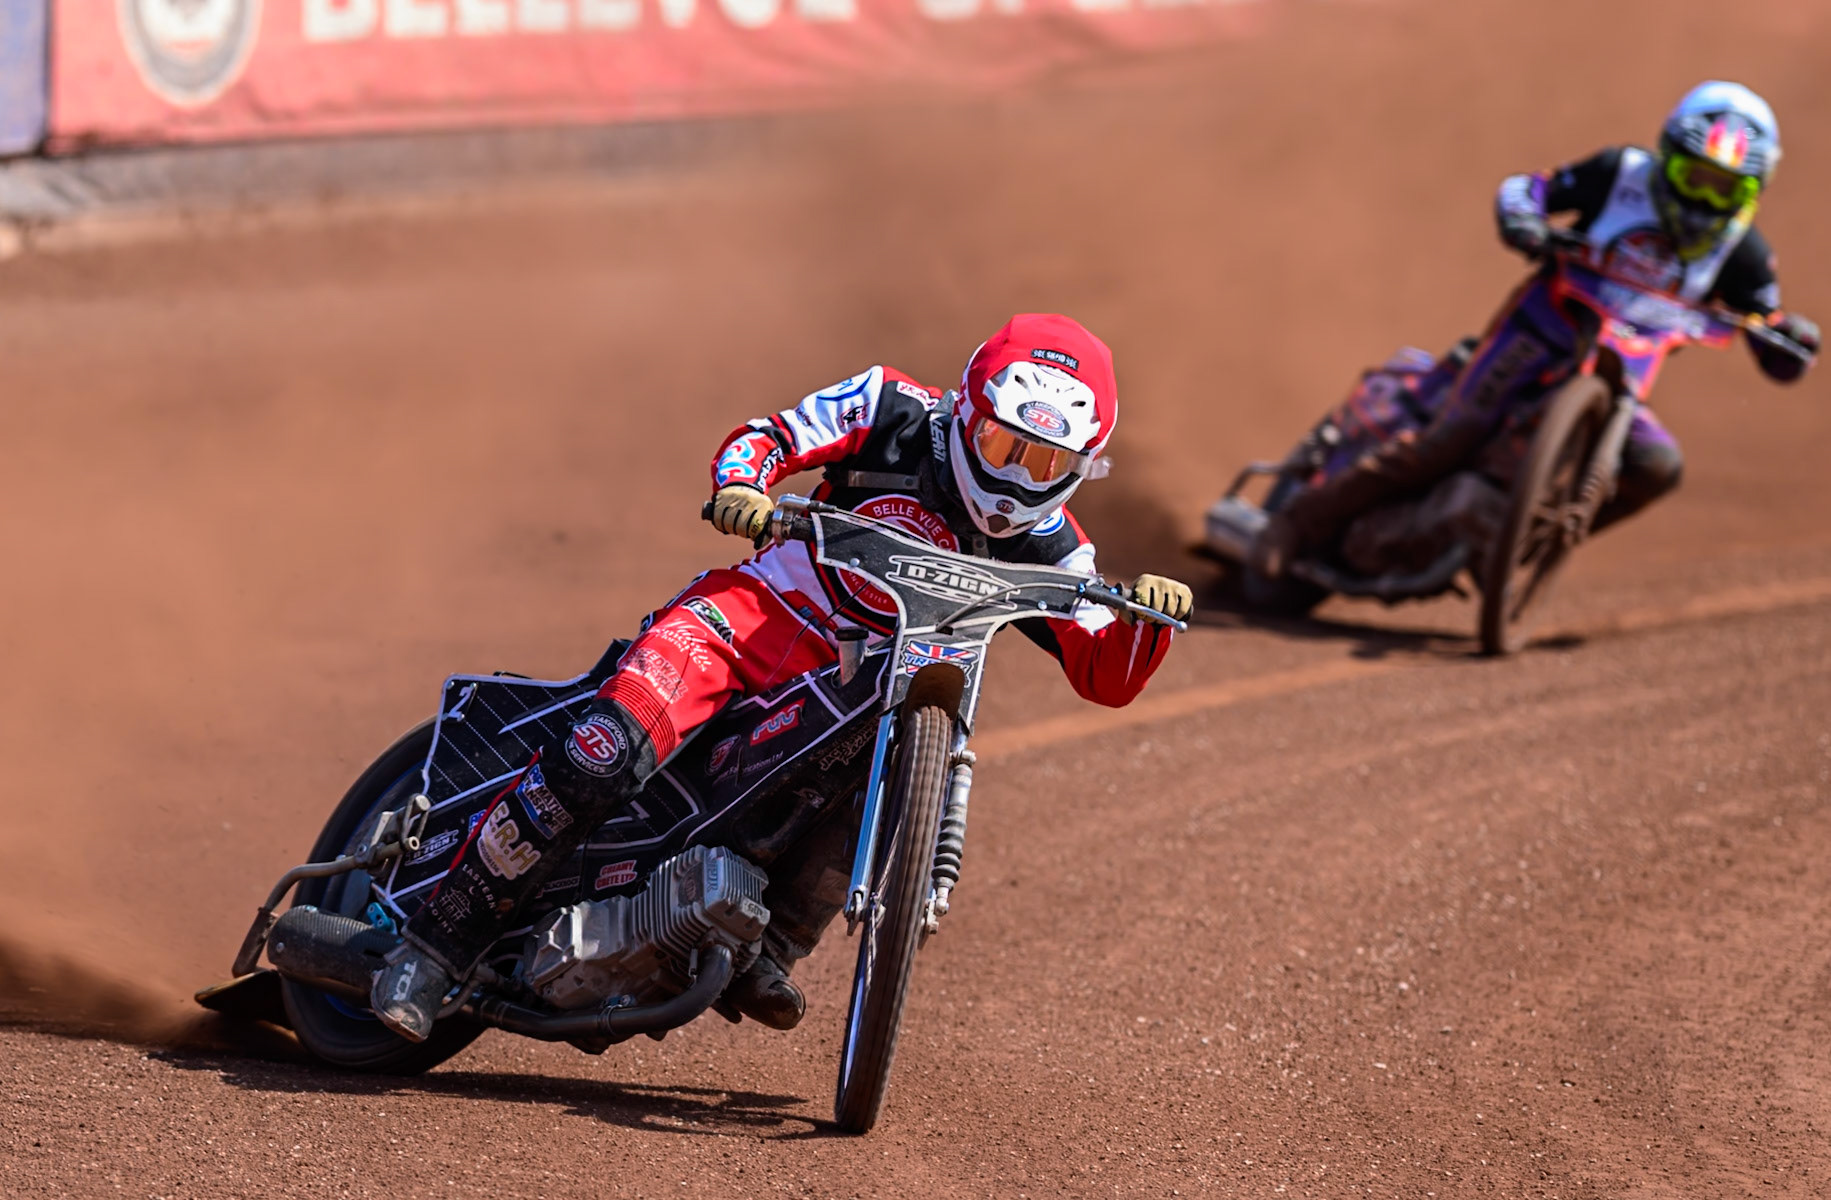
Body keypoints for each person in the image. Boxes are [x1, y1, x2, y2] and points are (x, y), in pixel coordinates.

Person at [371, 313, 1194, 1041]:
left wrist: (1142, 622)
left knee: (890, 766)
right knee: (601, 753)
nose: (1015, 479)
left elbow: (1106, 675)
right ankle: (431, 946)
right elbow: (767, 438)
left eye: (1044, 461)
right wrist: (741, 486)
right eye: (1000, 446)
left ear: (1082, 465)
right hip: (754, 622)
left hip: (878, 683)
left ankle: (768, 943)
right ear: (967, 411)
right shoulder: (891, 406)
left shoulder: (1055, 544)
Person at [1255, 80, 1820, 578]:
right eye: (1692, 178)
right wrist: (1524, 220)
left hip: (1622, 375)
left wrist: (1789, 341)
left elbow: (1768, 331)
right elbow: (1528, 190)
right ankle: (1295, 526)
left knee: (1658, 468)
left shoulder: (1744, 254)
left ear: (1752, 194)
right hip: (1537, 330)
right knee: (1447, 438)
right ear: (1665, 156)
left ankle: (1520, 545)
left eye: (1724, 189)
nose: (1702, 201)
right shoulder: (1617, 174)